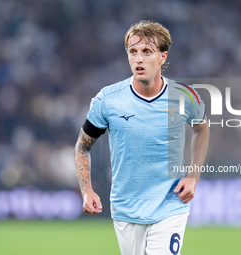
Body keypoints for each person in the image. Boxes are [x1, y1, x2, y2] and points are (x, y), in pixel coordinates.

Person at [74, 20, 209, 255]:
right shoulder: (108, 100)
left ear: (163, 57)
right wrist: (87, 191)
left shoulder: (186, 97)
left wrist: (193, 176)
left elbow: (202, 128)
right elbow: (82, 148)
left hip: (170, 205)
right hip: (126, 209)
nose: (139, 59)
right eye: (133, 52)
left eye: (147, 52)